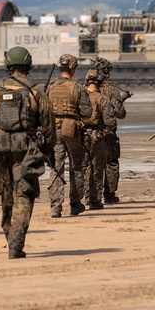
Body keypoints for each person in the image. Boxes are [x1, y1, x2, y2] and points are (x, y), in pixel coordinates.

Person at [0, 46, 56, 258]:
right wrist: (47, 149)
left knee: (6, 194)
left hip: (1, 149)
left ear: (8, 64)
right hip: (27, 151)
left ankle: (10, 236)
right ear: (27, 64)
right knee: (24, 193)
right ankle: (16, 243)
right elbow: (49, 124)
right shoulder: (35, 91)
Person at [45, 54, 92, 217]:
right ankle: (75, 204)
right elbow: (87, 113)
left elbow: (43, 110)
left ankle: (56, 207)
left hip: (54, 131)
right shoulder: (77, 88)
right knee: (76, 167)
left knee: (56, 168)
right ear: (73, 69)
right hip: (72, 131)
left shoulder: (50, 87)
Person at [93, 56, 130, 204]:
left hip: (91, 132)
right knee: (111, 163)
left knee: (92, 164)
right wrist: (120, 100)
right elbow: (121, 114)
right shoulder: (112, 91)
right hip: (108, 133)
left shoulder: (85, 88)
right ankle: (109, 195)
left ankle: (92, 196)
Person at [82, 69, 118, 210]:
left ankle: (84, 198)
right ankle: (95, 200)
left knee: (84, 169)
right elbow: (111, 122)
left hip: (82, 137)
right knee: (97, 170)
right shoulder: (103, 99)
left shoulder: (80, 97)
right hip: (98, 138)